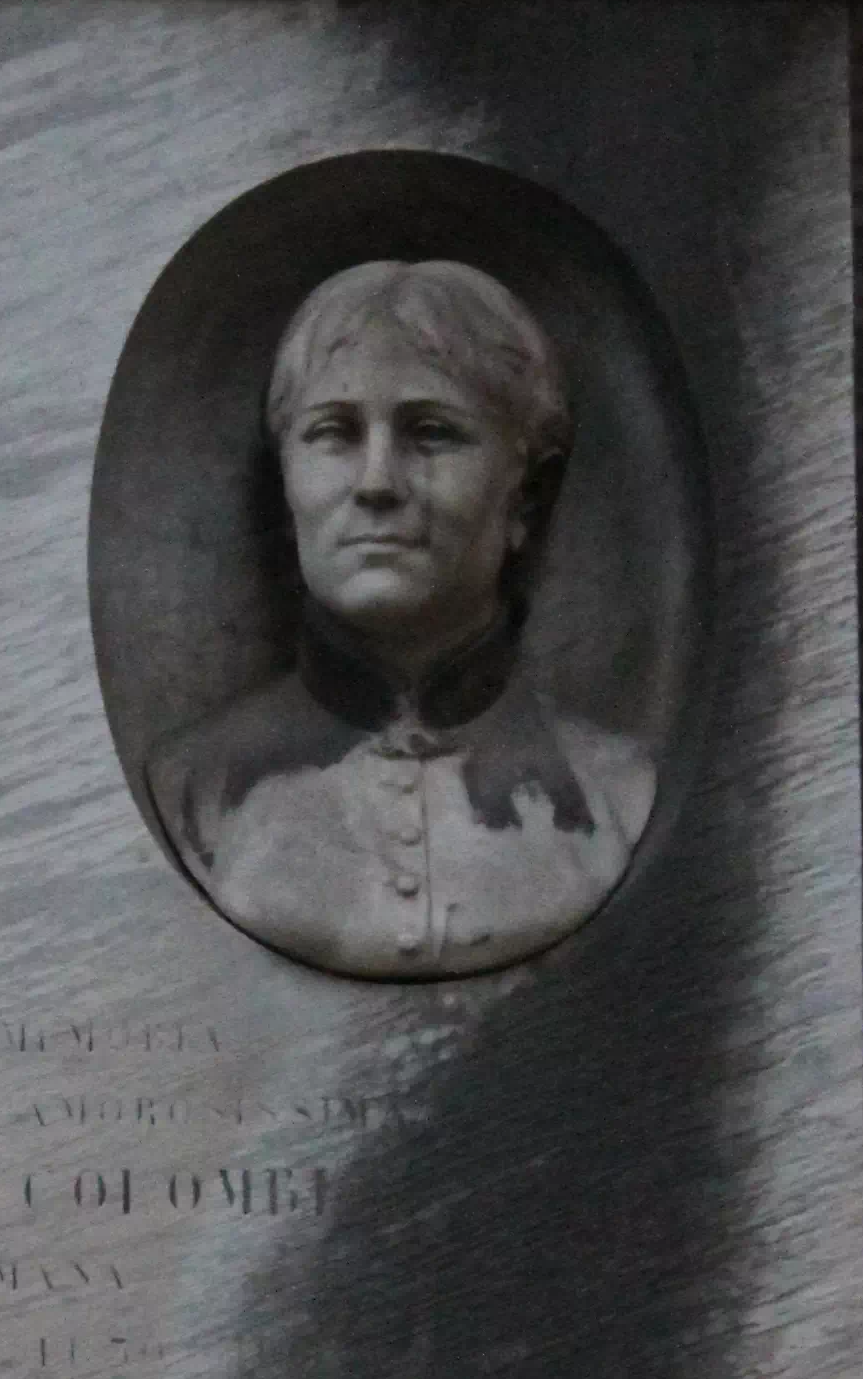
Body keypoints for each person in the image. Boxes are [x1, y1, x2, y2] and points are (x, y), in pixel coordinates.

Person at [151, 255, 654, 981]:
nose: (378, 482)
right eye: (334, 432)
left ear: (527, 499)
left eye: (432, 432)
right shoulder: (194, 793)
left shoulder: (617, 796)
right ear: (285, 475)